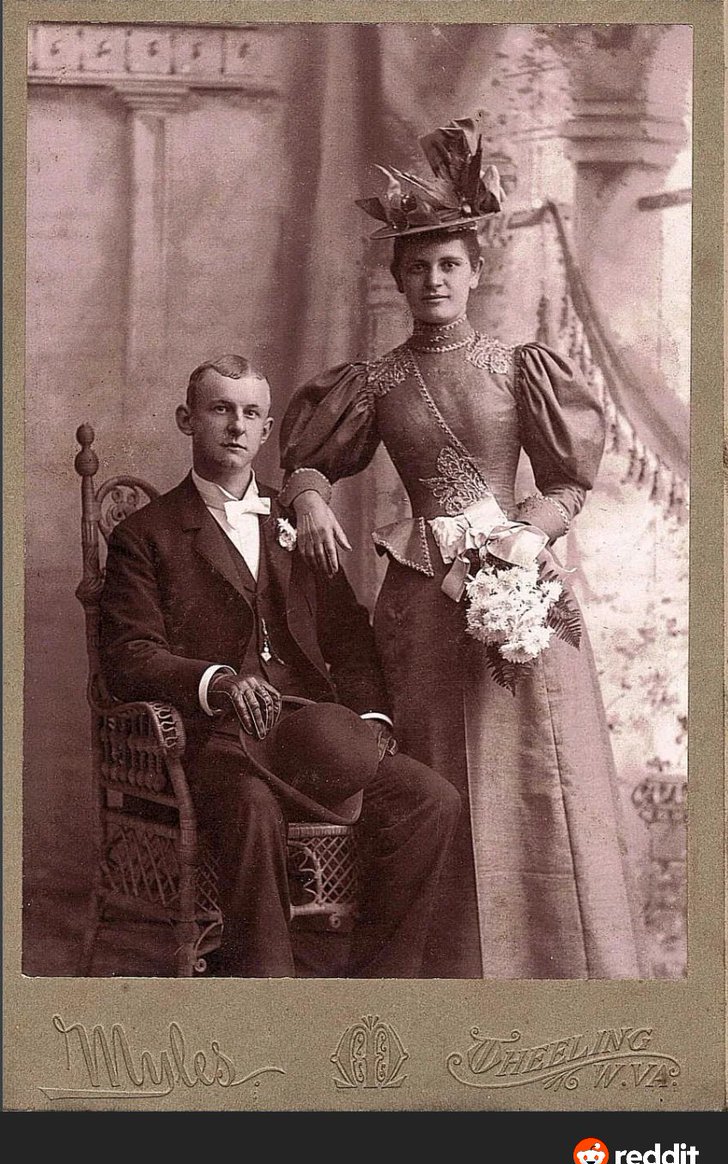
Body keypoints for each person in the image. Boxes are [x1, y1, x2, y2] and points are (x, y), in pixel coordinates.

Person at [279, 117, 647, 979]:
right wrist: (311, 497)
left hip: (518, 592)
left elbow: (568, 483)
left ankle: (555, 964)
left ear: (476, 271)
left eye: (448, 264)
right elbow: (307, 460)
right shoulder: (374, 382)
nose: (434, 280)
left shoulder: (519, 367)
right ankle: (445, 972)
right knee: (440, 777)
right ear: (399, 279)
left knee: (536, 771)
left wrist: (529, 534)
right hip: (422, 605)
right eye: (417, 268)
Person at [98, 354, 460, 978]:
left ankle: (381, 986)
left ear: (267, 431)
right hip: (217, 741)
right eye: (220, 409)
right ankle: (268, 993)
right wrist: (217, 682)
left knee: (432, 800)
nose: (236, 426)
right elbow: (130, 655)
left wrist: (371, 720)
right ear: (187, 420)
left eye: (251, 414)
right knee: (253, 807)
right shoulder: (145, 535)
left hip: (312, 738)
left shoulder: (299, 521)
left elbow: (349, 638)